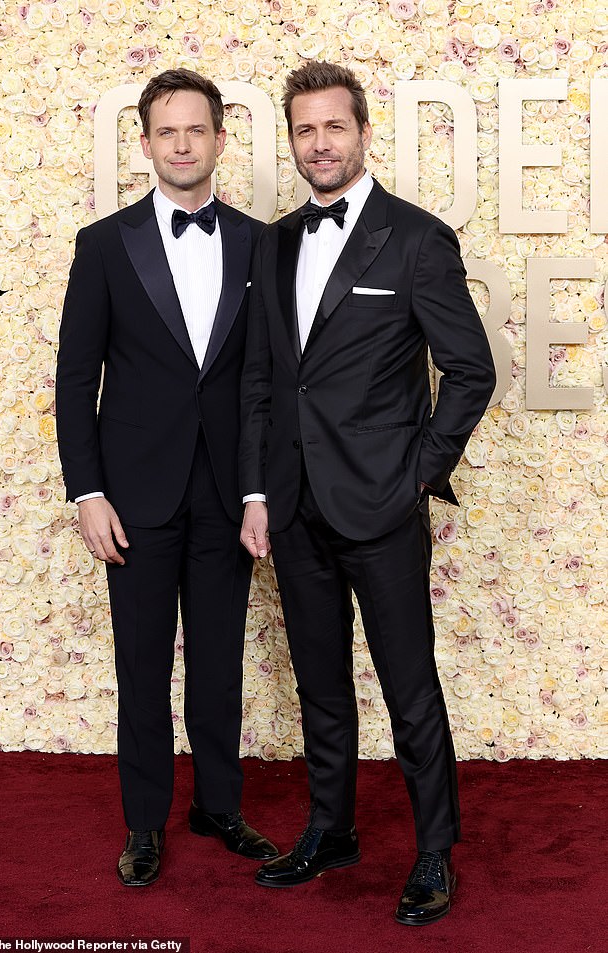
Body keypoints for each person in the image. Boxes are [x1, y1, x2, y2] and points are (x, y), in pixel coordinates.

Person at [240, 60, 496, 925]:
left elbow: (470, 369)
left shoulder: (418, 239)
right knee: (320, 682)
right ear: (293, 139)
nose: (320, 143)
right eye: (305, 130)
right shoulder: (272, 243)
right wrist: (258, 495)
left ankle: (433, 852)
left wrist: (420, 470)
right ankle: (331, 828)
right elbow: (268, 383)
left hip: (383, 507)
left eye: (334, 127)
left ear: (362, 131)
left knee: (408, 683)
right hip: (296, 505)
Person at [56, 68, 278, 887]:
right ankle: (145, 821)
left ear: (221, 139)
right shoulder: (103, 244)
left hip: (227, 493)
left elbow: (265, 380)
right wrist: (87, 492)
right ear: (145, 143)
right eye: (166, 132)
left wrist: (259, 491)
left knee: (219, 663)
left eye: (197, 130)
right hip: (133, 497)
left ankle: (219, 804)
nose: (182, 145)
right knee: (142, 664)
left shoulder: (262, 242)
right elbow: (76, 378)